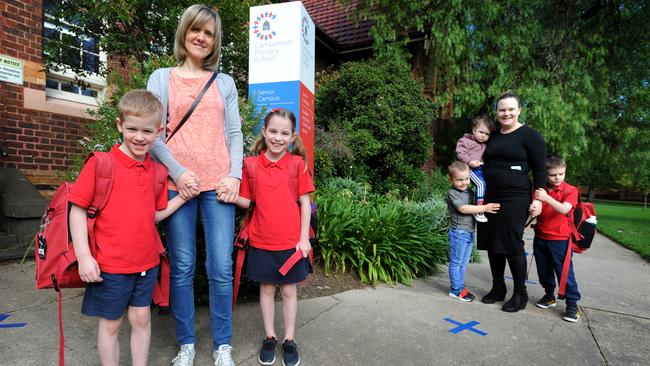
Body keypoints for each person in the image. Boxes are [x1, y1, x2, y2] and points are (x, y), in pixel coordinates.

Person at [146, 4, 243, 366]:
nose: (202, 38)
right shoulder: (161, 77)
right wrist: (178, 171)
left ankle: (223, 347)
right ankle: (186, 344)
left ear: (215, 41)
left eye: (209, 33)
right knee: (183, 266)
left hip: (218, 186)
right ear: (184, 33)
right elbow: (152, 133)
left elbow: (234, 133)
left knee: (220, 267)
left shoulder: (224, 82)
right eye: (196, 30)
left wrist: (234, 175)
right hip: (177, 185)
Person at [69, 90, 194, 366]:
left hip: (146, 264)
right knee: (111, 324)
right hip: (110, 265)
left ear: (159, 132)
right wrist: (84, 257)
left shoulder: (158, 172)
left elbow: (155, 215)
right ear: (119, 125)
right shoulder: (102, 163)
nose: (139, 137)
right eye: (132, 129)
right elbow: (77, 208)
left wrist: (183, 198)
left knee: (141, 318)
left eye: (147, 131)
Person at [225, 109, 314, 366]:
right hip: (261, 240)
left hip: (290, 243)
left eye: (284, 133)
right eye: (273, 131)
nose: (277, 137)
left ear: (292, 136)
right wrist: (228, 194)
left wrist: (303, 239)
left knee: (288, 291)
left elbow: (305, 204)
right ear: (264, 132)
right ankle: (269, 336)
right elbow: (247, 201)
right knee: (266, 288)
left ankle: (289, 339)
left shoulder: (297, 165)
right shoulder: (251, 165)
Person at [477, 91, 547, 312]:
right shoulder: (494, 136)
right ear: (496, 113)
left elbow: (539, 169)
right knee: (492, 243)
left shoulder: (530, 136)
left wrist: (539, 199)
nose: (506, 113)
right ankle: (498, 288)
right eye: (501, 110)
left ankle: (520, 293)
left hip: (516, 196)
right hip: (491, 196)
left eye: (510, 109)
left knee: (511, 242)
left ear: (519, 110)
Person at [532, 156, 582, 322]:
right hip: (540, 236)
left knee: (564, 273)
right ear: (546, 174)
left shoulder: (570, 190)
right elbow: (536, 208)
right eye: (553, 175)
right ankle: (549, 295)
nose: (558, 177)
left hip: (560, 238)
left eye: (561, 173)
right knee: (543, 270)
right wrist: (534, 208)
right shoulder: (541, 189)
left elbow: (564, 209)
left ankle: (572, 305)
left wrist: (546, 198)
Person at [447, 161, 500, 302]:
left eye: (466, 179)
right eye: (459, 180)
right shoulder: (453, 193)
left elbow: (478, 200)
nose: (464, 182)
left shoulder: (470, 192)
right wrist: (484, 208)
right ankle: (455, 290)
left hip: (469, 232)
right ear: (451, 179)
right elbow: (463, 209)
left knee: (463, 263)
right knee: (456, 262)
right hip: (458, 233)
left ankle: (459, 285)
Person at [455, 115, 495, 223]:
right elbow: (460, 153)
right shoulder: (465, 141)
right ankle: (479, 211)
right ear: (474, 130)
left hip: (481, 169)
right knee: (481, 184)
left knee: (488, 184)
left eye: (487, 134)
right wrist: (470, 162)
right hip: (469, 169)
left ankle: (480, 204)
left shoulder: (485, 146)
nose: (483, 136)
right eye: (481, 132)